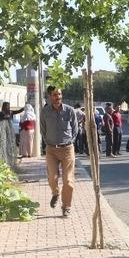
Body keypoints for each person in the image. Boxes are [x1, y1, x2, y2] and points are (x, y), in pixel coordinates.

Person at [39, 86, 78, 217]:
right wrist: (48, 142)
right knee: (52, 178)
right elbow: (43, 129)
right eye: (55, 95)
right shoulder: (45, 112)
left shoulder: (69, 110)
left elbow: (75, 128)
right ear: (50, 96)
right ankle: (55, 193)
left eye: (60, 94)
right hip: (51, 150)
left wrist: (69, 141)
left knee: (68, 182)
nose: (58, 97)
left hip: (67, 149)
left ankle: (66, 206)